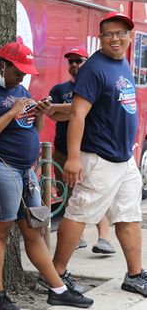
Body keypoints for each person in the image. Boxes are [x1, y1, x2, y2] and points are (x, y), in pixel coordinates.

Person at [0, 40, 93, 310]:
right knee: (0, 232)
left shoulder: (21, 90)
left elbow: (32, 129)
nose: (22, 76)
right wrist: (12, 113)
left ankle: (57, 289)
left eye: (25, 72)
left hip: (25, 171)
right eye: (17, 71)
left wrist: (40, 113)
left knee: (34, 231)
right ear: (2, 65)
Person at [53, 12, 147, 298]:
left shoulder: (121, 64)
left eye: (121, 33)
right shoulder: (93, 68)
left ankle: (135, 275)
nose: (115, 38)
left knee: (129, 215)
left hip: (122, 158)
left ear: (131, 37)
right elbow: (78, 114)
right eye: (108, 34)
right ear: (101, 38)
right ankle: (56, 275)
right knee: (79, 212)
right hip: (98, 156)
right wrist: (72, 158)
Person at [47, 47, 115, 254]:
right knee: (68, 193)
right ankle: (79, 238)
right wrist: (77, 110)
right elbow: (51, 113)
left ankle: (104, 239)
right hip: (62, 149)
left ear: (88, 63)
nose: (75, 65)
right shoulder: (59, 89)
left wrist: (68, 109)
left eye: (79, 61)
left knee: (94, 194)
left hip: (89, 149)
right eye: (71, 62)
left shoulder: (97, 85)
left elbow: (86, 111)